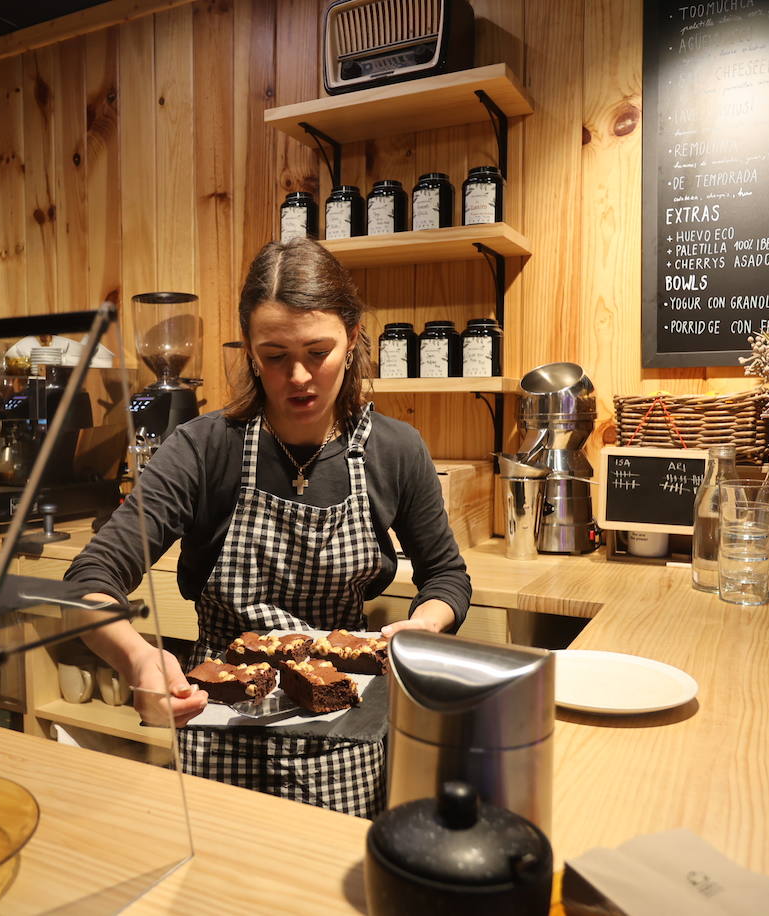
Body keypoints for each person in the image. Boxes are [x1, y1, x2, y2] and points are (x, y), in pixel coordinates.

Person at [64, 238, 471, 815]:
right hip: (219, 732)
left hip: (345, 738)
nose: (298, 376)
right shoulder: (205, 449)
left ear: (352, 338)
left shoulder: (394, 450)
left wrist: (425, 625)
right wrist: (136, 658)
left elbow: (448, 579)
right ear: (251, 350)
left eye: (318, 351)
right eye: (275, 355)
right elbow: (89, 579)